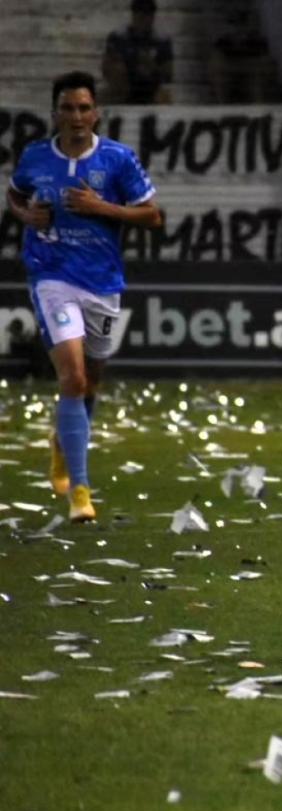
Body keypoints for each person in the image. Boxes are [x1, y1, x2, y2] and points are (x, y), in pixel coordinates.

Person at [5, 71, 163, 523]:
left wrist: (102, 208)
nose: (76, 117)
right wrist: (27, 214)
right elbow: (14, 196)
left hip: (103, 283)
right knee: (72, 379)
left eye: (83, 108)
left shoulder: (117, 160)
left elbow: (153, 217)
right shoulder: (36, 157)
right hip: (51, 275)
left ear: (96, 113)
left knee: (90, 382)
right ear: (55, 113)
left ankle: (63, 442)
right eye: (67, 109)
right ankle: (80, 490)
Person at [101, 0, 174, 105]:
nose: (144, 19)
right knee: (105, 93)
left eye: (148, 15)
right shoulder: (118, 37)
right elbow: (106, 68)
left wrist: (153, 67)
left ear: (153, 16)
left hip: (151, 87)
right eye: (140, 15)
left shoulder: (161, 40)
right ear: (133, 15)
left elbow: (169, 74)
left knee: (165, 96)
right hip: (125, 85)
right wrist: (125, 66)